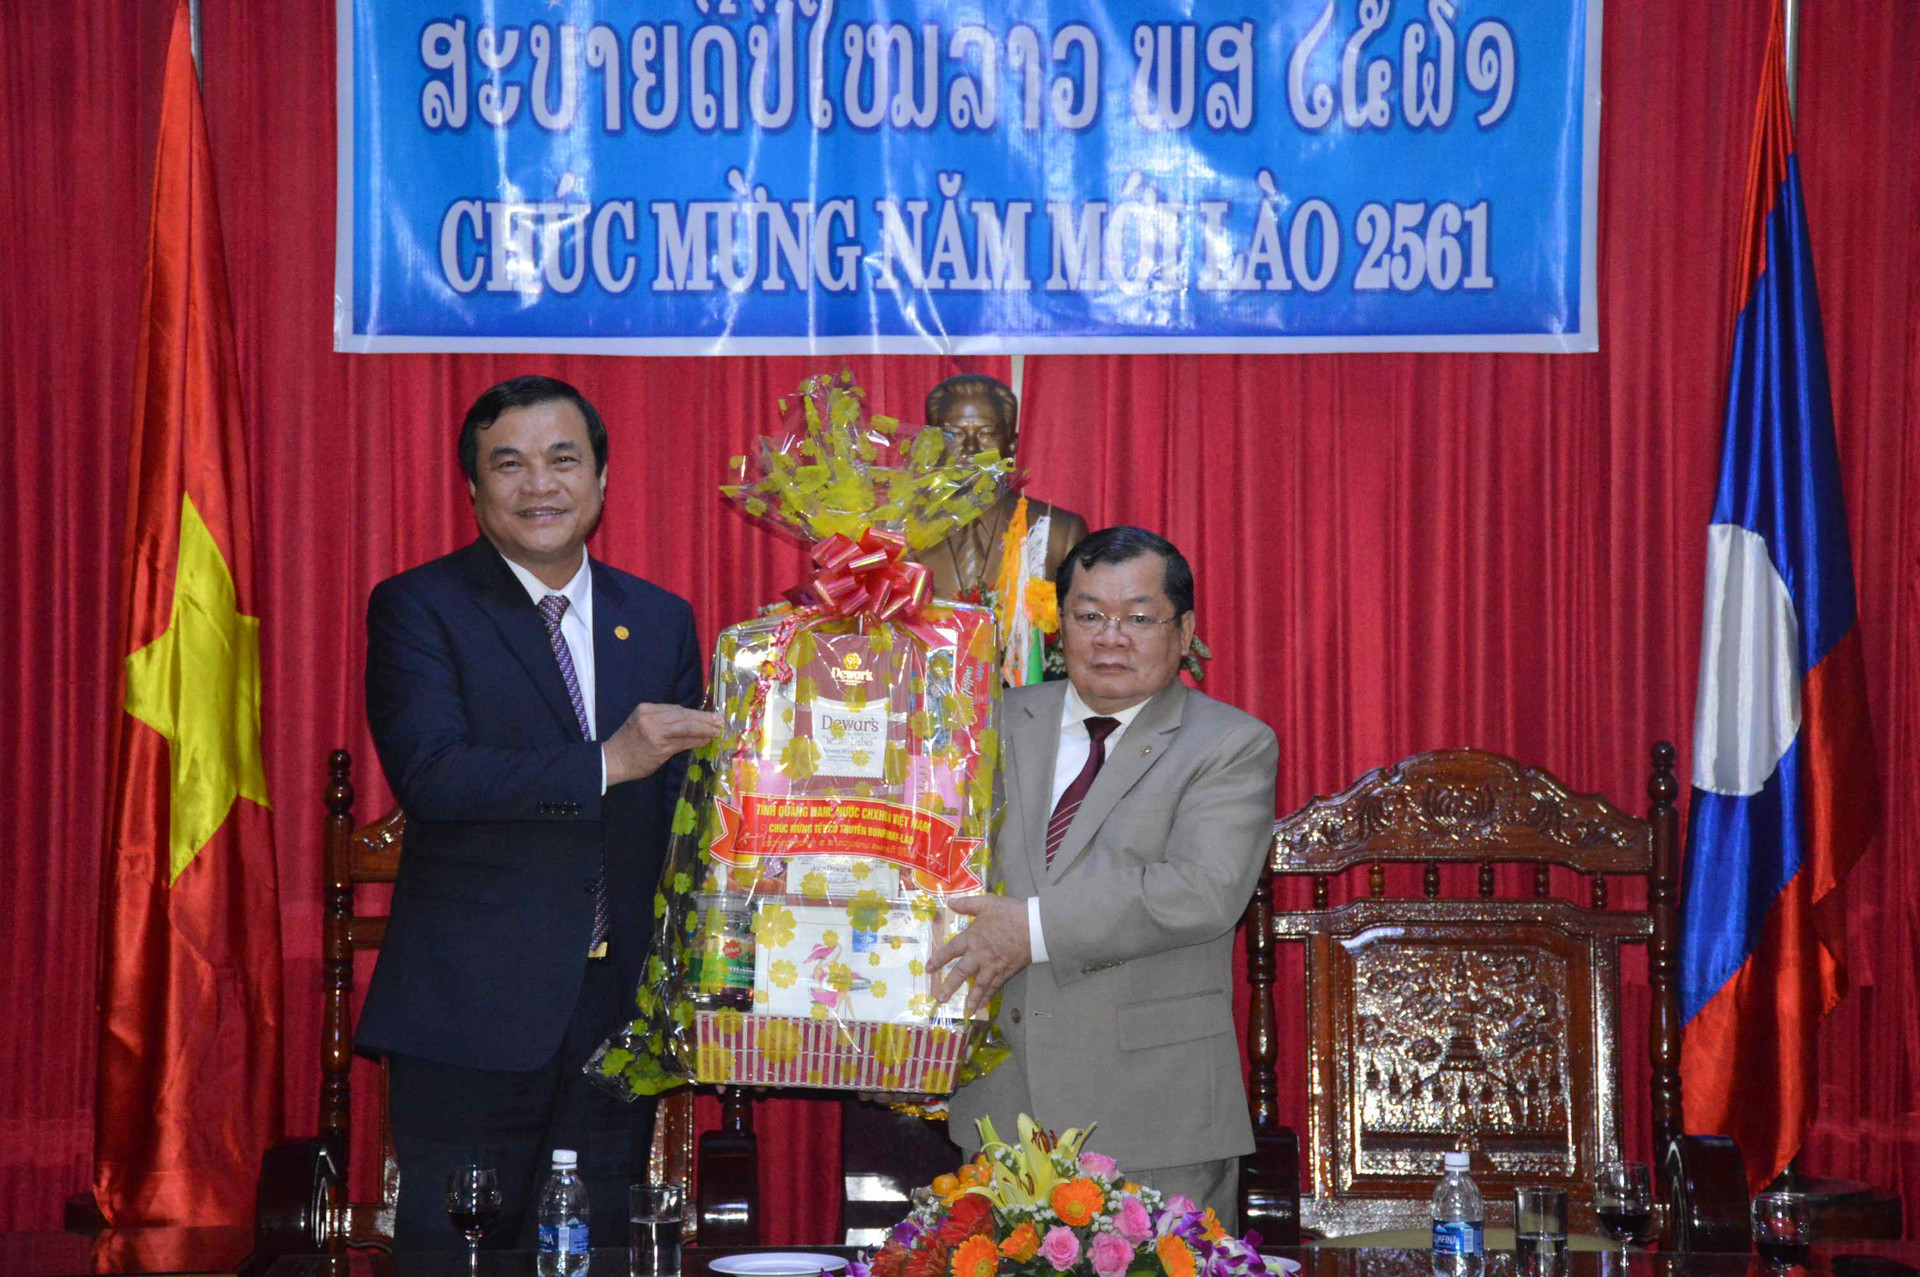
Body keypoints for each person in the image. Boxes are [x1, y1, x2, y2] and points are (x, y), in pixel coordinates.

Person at [358, 375, 722, 1251]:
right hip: (470, 1012)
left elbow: (687, 813)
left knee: (595, 1252)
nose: (539, 485)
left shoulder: (661, 619)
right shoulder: (420, 607)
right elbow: (435, 775)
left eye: (564, 459)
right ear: (474, 490)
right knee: (459, 1253)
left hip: (617, 1015)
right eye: (508, 464)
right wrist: (609, 761)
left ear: (601, 478)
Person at [932, 526, 1278, 1229]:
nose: (1110, 636)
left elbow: (1201, 890)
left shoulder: (1232, 743)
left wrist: (1027, 929)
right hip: (999, 1114)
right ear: (1061, 626)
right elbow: (934, 866)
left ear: (1184, 631)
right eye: (1089, 614)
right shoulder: (989, 722)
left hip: (1154, 1120)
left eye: (1138, 617)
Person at [915, 374, 1089, 602]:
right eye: (955, 433)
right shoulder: (899, 533)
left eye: (986, 432)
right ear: (933, 444)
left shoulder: (1059, 533)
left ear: (1011, 443)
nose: (971, 447)